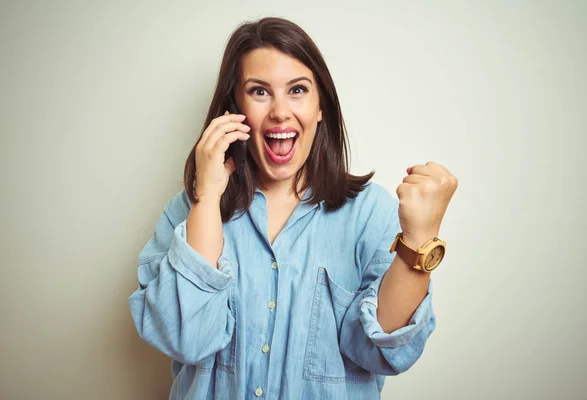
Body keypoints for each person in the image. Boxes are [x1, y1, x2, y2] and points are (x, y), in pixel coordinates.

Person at [129, 16, 458, 400]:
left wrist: (419, 240)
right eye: (259, 92)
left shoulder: (371, 213)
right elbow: (184, 338)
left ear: (322, 107)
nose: (280, 112)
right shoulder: (190, 208)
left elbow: (386, 353)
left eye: (298, 90)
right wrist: (207, 198)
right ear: (234, 109)